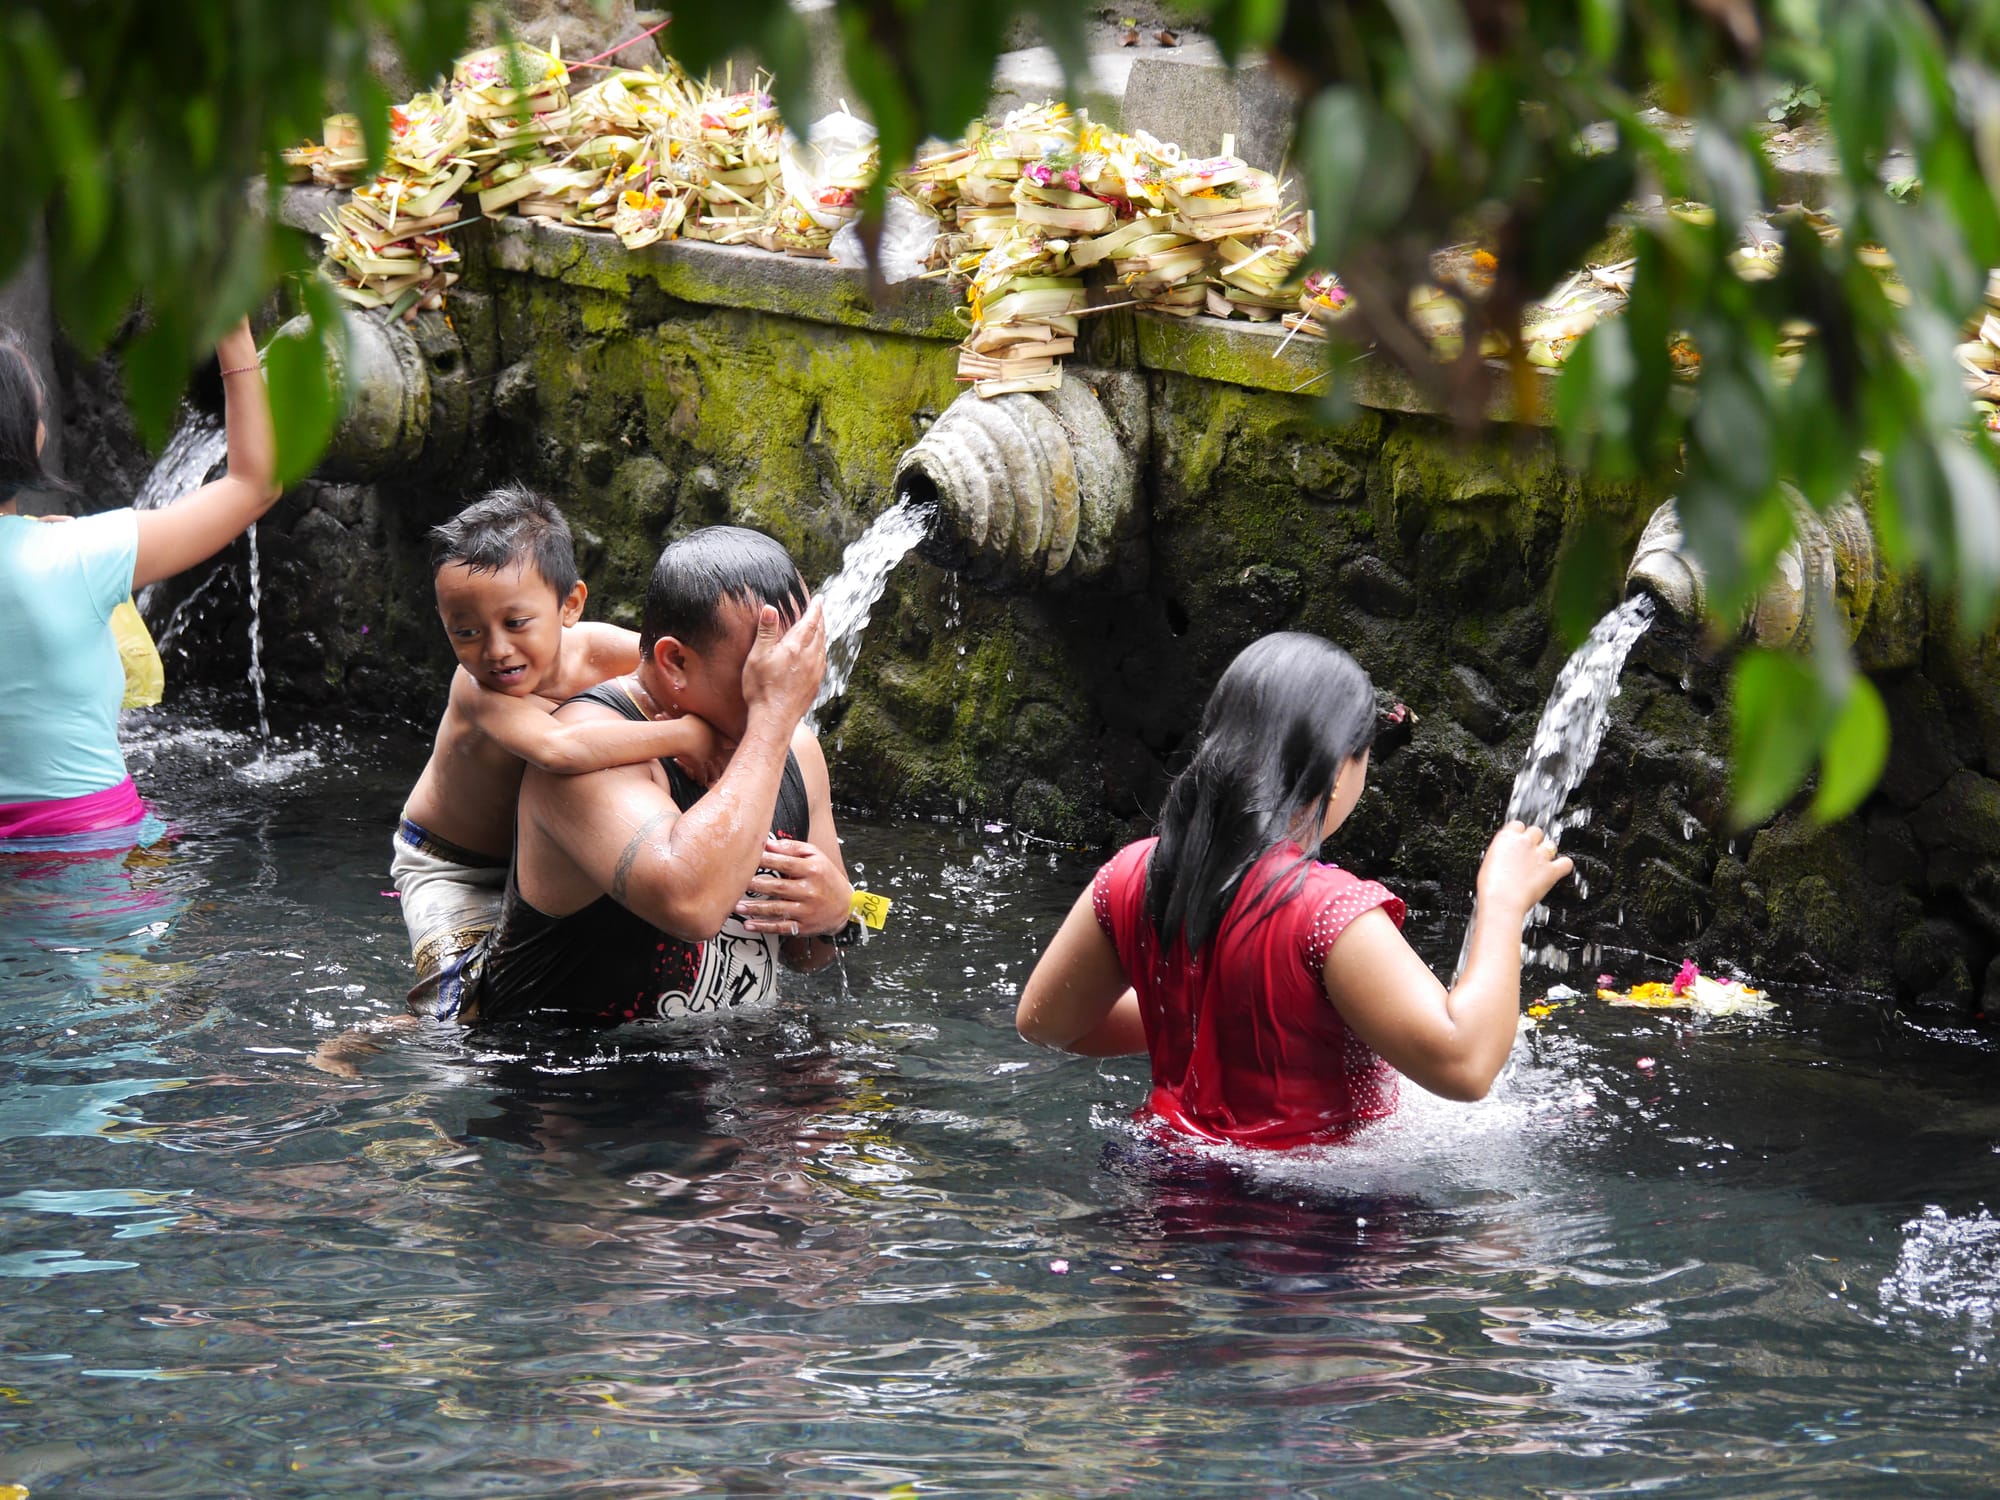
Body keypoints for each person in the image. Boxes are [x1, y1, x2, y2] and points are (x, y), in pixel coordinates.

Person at [1015, 631, 1573, 1149]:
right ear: (1336, 772)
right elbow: (1468, 1066)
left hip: (1161, 1189)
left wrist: (1208, 1009)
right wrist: (1502, 901)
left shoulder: (1132, 873)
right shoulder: (1330, 912)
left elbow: (1047, 1023)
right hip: (1311, 1230)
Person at [450, 525, 855, 1028]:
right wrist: (770, 718)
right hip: (571, 1086)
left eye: (794, 660)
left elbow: (806, 956)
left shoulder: (797, 749)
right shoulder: (593, 755)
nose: (791, 685)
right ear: (676, 662)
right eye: (764, 668)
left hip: (726, 1077)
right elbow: (692, 904)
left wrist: (840, 914)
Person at [395, 485, 724, 1006]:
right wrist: (684, 734)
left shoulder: (605, 651)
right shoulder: (476, 690)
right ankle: (379, 1036)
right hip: (453, 865)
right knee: (462, 1008)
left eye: (516, 623)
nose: (496, 650)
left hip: (542, 859)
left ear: (569, 604)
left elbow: (683, 679)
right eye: (466, 632)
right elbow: (557, 749)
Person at [0, 318, 278, 841]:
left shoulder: (73, 548)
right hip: (94, 851)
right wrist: (232, 332)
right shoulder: (81, 553)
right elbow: (254, 483)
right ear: (24, 438)